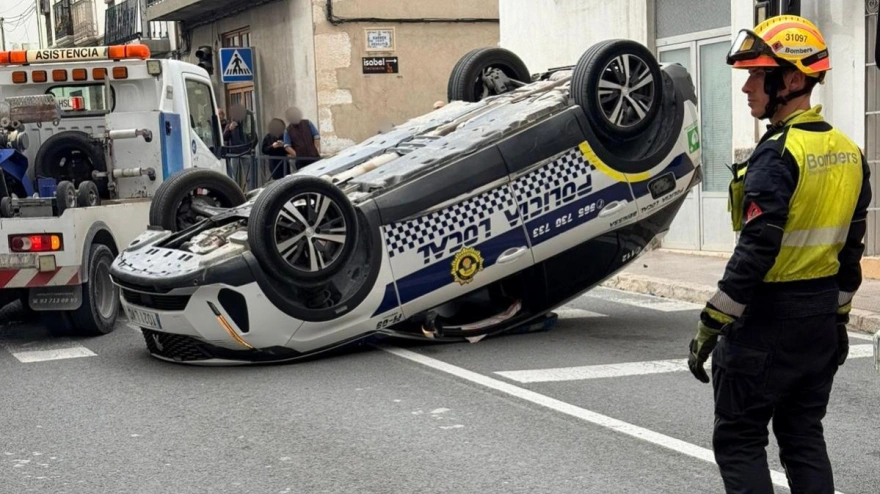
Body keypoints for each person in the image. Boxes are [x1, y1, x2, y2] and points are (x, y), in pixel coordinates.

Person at [687, 15, 872, 493]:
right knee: (803, 437)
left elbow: (756, 249)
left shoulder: (776, 154)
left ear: (792, 80)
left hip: (767, 324)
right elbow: (850, 254)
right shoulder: (851, 153)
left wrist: (711, 323)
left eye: (757, 74)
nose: (747, 86)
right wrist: (837, 321)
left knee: (740, 440)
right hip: (816, 326)